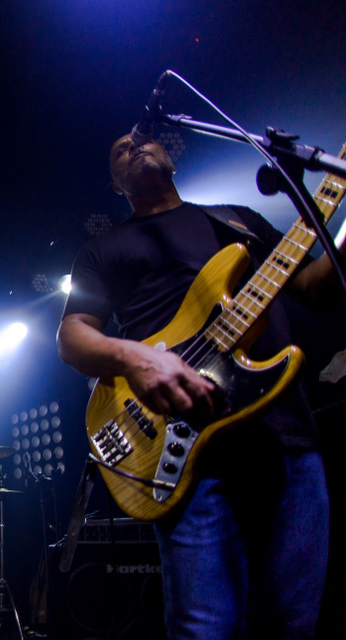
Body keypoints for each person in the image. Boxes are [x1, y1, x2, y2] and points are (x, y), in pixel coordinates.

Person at [57, 133, 345, 639]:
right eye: (120, 148)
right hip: (185, 447)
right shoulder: (103, 249)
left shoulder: (236, 219)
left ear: (171, 159)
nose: (135, 144)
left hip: (284, 436)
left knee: (292, 623)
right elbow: (72, 335)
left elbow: (316, 288)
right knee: (204, 627)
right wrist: (137, 358)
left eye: (144, 139)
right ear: (115, 185)